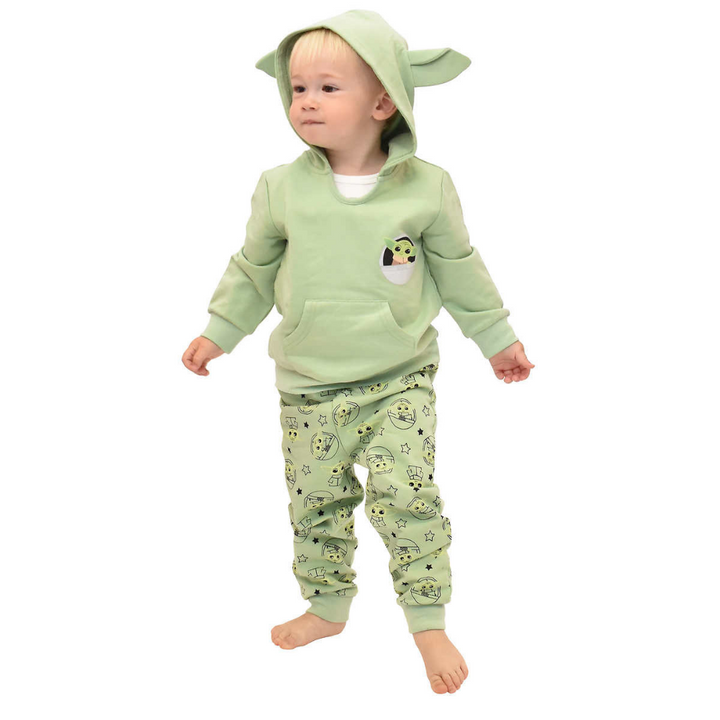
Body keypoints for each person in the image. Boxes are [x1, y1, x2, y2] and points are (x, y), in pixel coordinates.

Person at [181, 9, 534, 694]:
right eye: (297, 88)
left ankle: (427, 621)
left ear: (383, 102)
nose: (305, 102)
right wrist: (219, 330)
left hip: (398, 376)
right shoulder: (281, 187)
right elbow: (253, 270)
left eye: (327, 88)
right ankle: (327, 606)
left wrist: (497, 340)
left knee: (407, 493)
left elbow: (459, 269)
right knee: (315, 500)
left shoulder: (427, 186)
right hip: (308, 381)